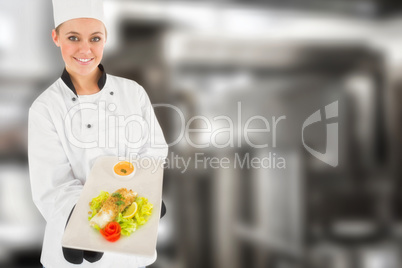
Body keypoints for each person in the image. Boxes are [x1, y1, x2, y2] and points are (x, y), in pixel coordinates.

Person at [27, 0, 168, 267]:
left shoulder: (132, 92)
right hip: (71, 252)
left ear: (106, 39)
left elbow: (154, 151)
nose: (85, 49)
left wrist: (148, 191)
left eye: (95, 38)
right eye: (73, 37)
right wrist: (81, 224)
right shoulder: (45, 108)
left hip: (131, 243)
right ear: (55, 37)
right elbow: (53, 186)